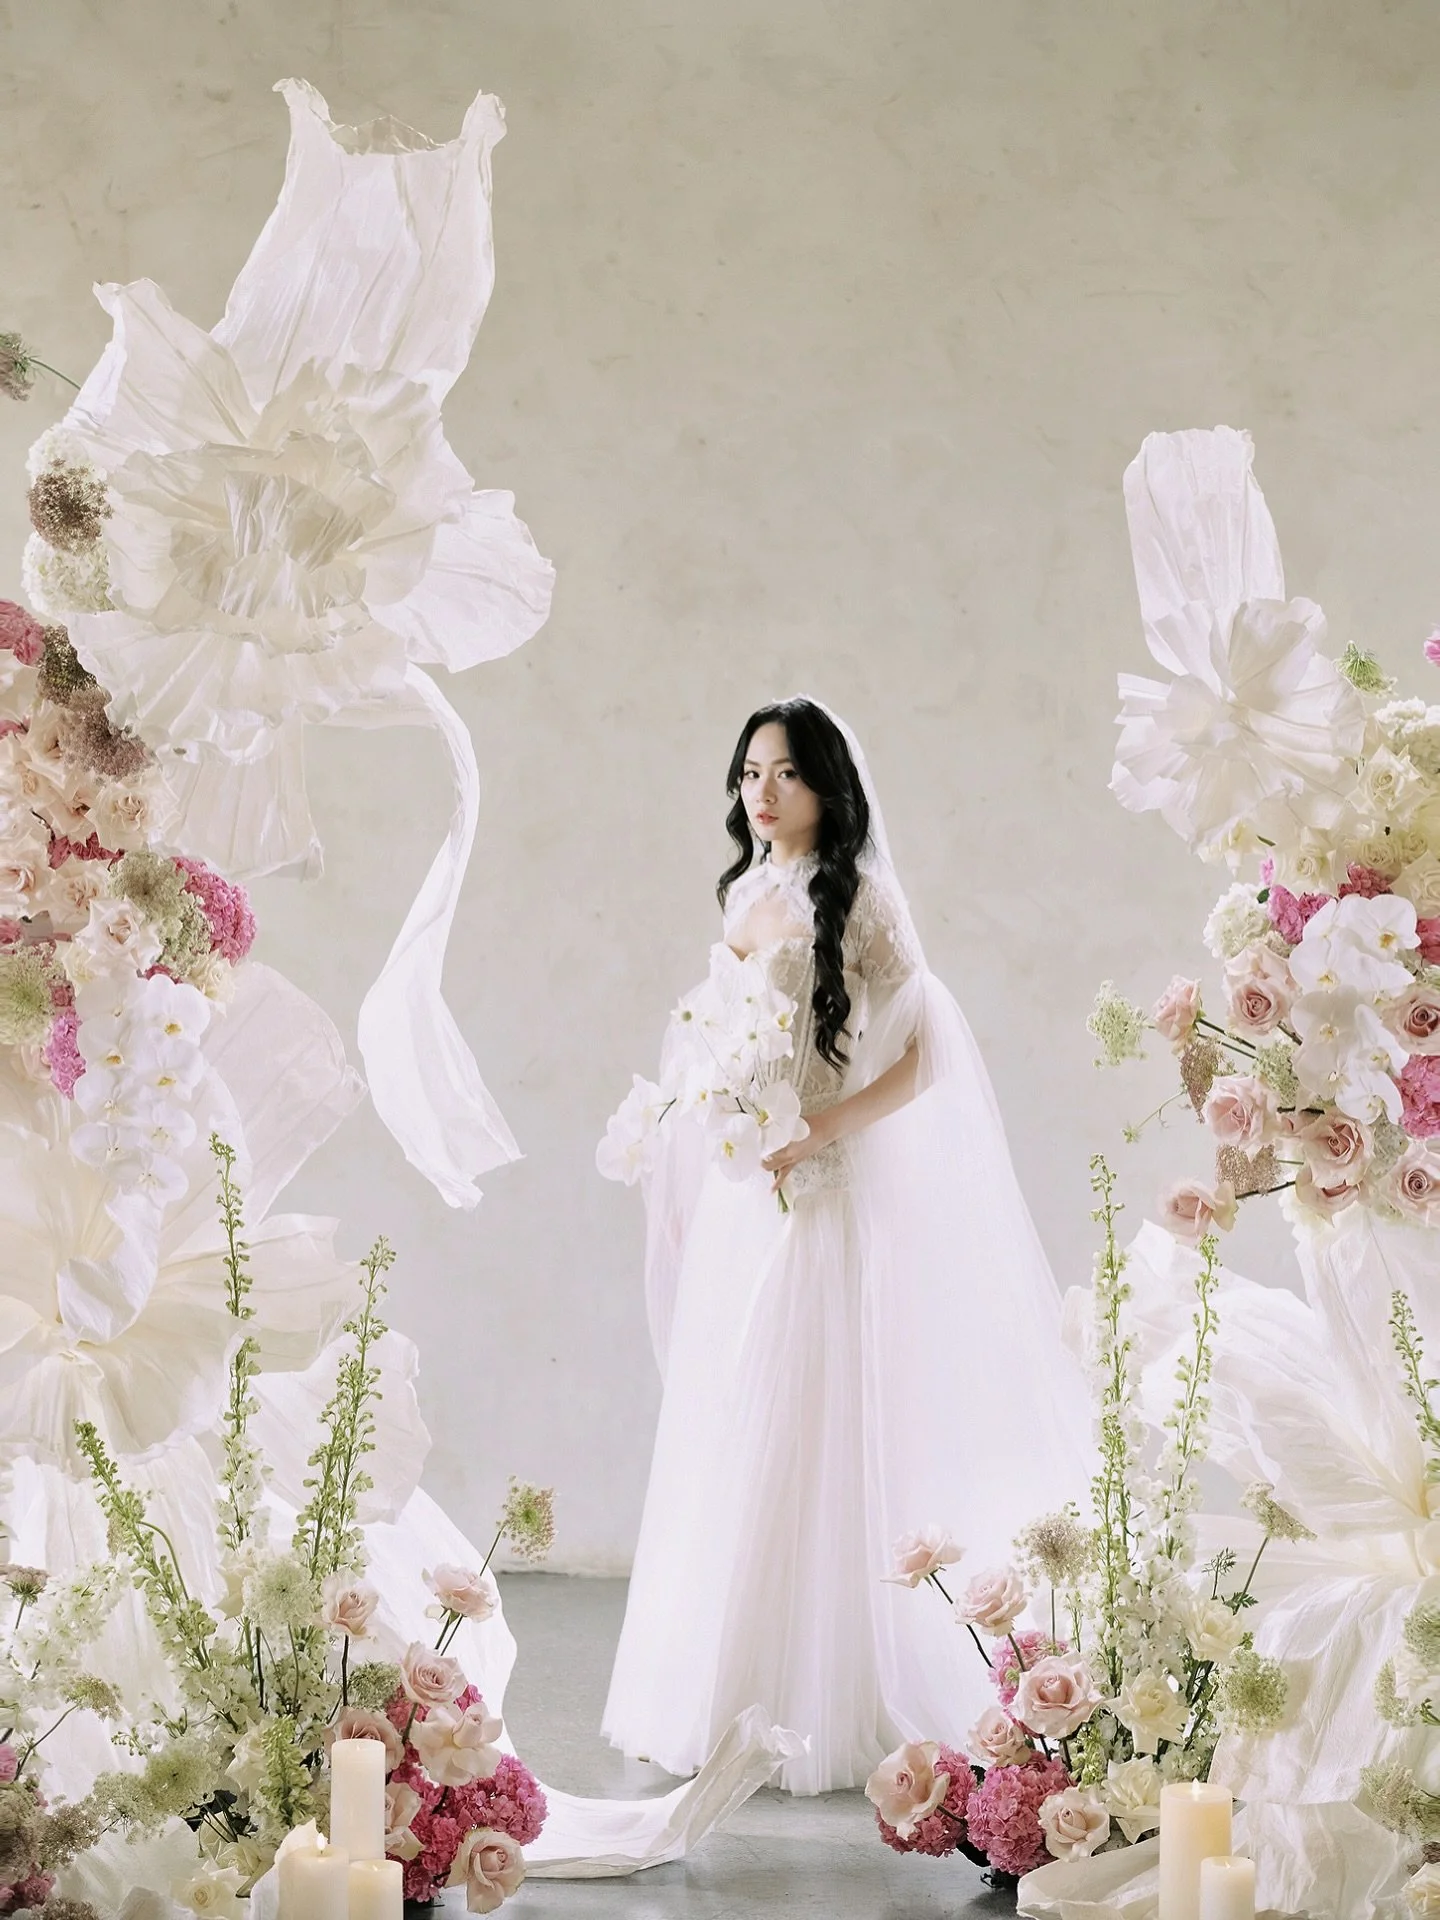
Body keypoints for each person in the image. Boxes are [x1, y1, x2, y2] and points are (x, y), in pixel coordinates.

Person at [601, 697, 1089, 1795]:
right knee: (742, 1412)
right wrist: (696, 1128)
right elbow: (718, 1037)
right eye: (748, 774)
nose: (760, 793)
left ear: (827, 786)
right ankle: (733, 1685)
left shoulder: (859, 897)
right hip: (748, 1196)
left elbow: (924, 1061)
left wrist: (815, 1130)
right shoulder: (742, 894)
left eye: (783, 774)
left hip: (828, 1189)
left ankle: (843, 1688)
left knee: (824, 1412)